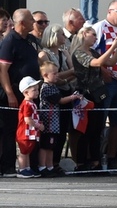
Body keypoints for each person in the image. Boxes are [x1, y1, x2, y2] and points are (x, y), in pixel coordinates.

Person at [0, 10, 43, 175]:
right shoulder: (10, 41)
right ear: (22, 23)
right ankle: (9, 166)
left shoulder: (31, 40)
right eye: (32, 19)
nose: (34, 22)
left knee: (32, 128)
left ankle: (31, 165)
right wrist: (9, 93)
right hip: (16, 93)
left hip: (31, 92)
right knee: (12, 129)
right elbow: (3, 69)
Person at [72, 25, 116, 171]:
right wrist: (113, 46)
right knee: (86, 130)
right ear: (84, 34)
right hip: (85, 94)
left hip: (97, 93)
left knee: (98, 128)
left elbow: (109, 62)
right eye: (93, 35)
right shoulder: (78, 53)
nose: (96, 38)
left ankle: (95, 160)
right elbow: (97, 63)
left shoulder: (92, 52)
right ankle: (82, 162)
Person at [93, 1, 117, 171]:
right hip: (107, 81)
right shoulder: (100, 27)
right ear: (109, 11)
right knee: (100, 120)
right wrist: (101, 70)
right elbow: (88, 50)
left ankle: (112, 156)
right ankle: (97, 156)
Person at [36, 60, 81, 177]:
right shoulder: (46, 88)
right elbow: (60, 100)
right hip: (48, 122)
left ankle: (50, 166)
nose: (57, 76)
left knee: (51, 146)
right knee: (45, 146)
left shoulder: (53, 86)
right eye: (54, 74)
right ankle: (42, 166)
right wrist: (72, 97)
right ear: (45, 75)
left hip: (54, 122)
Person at [15, 75, 42, 178]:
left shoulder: (32, 103)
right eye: (34, 90)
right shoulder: (27, 104)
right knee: (24, 151)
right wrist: (38, 126)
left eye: (37, 90)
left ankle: (27, 168)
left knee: (28, 150)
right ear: (26, 92)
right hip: (24, 132)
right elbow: (27, 119)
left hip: (30, 132)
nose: (37, 92)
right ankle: (22, 169)